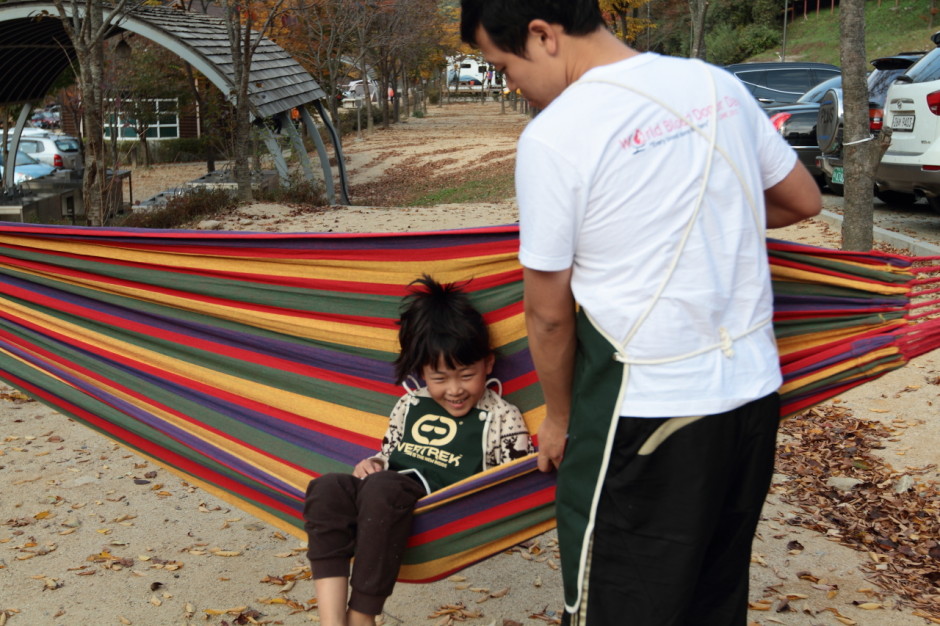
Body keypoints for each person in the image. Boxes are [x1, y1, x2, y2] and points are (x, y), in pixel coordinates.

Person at [460, 2, 823, 625]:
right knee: (714, 597)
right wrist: (710, 220)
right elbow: (803, 198)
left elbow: (547, 315)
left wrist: (561, 419)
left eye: (505, 66)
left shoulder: (557, 135)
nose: (512, 87)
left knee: (630, 605)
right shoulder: (717, 85)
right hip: (753, 398)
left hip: (649, 411)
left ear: (543, 36)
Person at [302, 274, 534, 626]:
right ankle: (332, 621)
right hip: (382, 499)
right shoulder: (410, 404)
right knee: (326, 487)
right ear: (423, 373)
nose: (454, 389)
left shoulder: (502, 416)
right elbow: (391, 450)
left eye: (466, 375)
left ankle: (361, 615)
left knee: (384, 487)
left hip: (437, 507)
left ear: (488, 364)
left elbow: (514, 480)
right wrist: (373, 462)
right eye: (439, 379)